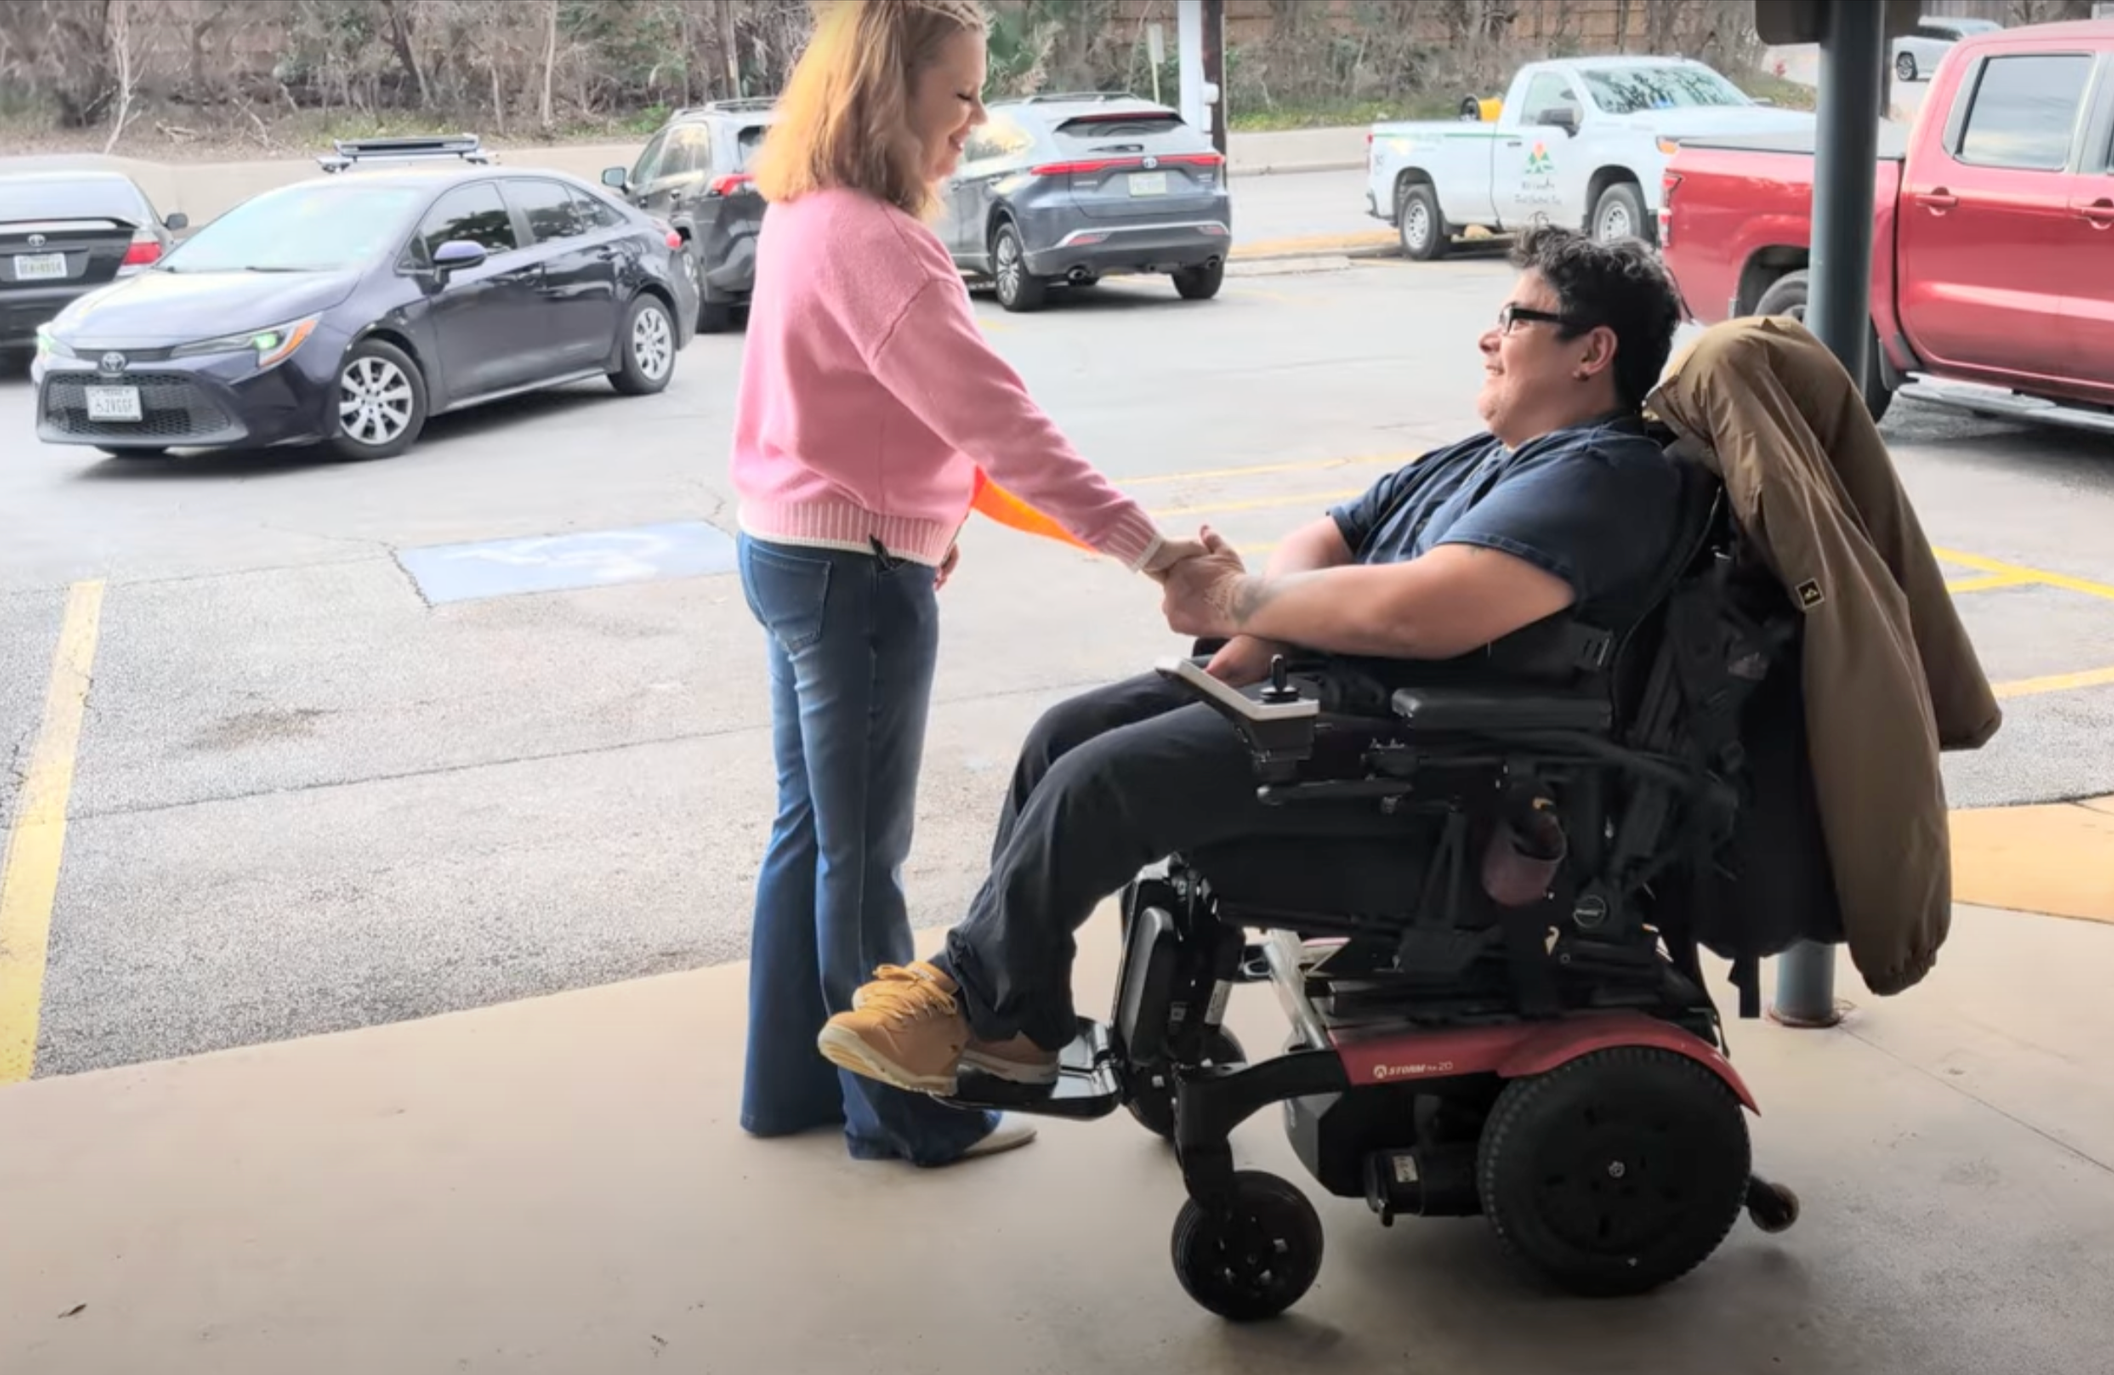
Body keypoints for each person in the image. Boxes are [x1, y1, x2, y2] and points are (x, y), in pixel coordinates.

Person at [815, 224, 1692, 1096]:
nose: (1487, 336)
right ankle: (1018, 1023)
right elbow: (1329, 533)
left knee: (1100, 782)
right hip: (1322, 698)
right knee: (1064, 734)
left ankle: (966, 996)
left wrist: (1241, 600)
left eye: (1515, 316)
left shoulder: (1603, 477)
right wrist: (1259, 628)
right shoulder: (1487, 456)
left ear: (1593, 351)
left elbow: (1426, 613)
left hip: (1418, 766)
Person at [728, 0, 1206, 1168]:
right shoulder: (880, 241)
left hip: (787, 550)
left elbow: (875, 418)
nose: (975, 119)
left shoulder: (802, 210)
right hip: (855, 578)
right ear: (887, 95)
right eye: (960, 92)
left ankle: (789, 1087)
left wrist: (927, 508)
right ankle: (905, 1114)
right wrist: (1151, 550)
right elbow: (998, 424)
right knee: (860, 855)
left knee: (810, 833)